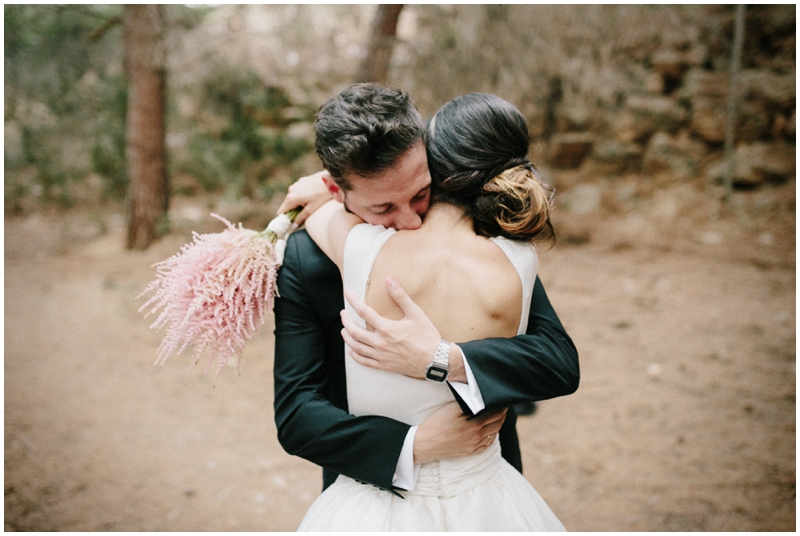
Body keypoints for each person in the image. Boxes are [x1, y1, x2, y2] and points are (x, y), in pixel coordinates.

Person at [272, 84, 578, 503]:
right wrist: (413, 445)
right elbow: (296, 415)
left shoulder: (484, 240)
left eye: (420, 194)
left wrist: (444, 359)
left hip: (486, 486)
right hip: (373, 493)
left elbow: (556, 360)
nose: (411, 221)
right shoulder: (305, 258)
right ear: (335, 191)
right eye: (383, 209)